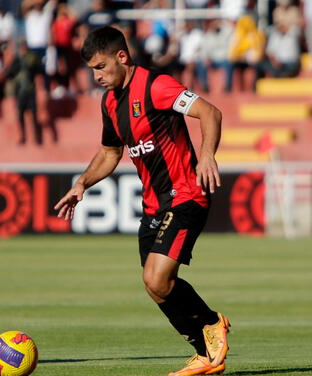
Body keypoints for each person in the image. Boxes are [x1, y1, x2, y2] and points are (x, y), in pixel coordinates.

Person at [54, 26, 231, 376]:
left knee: (157, 276)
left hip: (186, 195)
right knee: (154, 285)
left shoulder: (156, 86)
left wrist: (207, 154)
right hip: (153, 206)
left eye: (101, 67)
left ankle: (212, 323)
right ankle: (204, 354)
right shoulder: (110, 103)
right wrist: (83, 183)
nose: (97, 76)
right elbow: (109, 152)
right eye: (92, 69)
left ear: (122, 57)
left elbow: (210, 113)